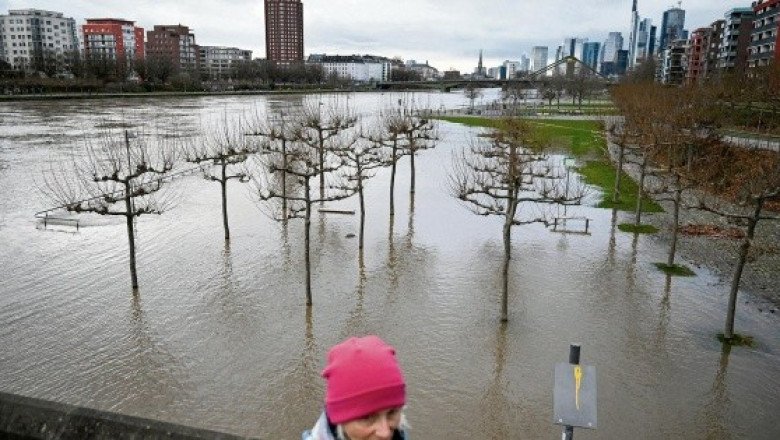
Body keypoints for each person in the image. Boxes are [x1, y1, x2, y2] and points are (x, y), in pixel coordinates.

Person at [302, 335, 409, 440]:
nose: (385, 433)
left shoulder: (398, 433)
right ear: (340, 421)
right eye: (366, 417)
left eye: (392, 412)